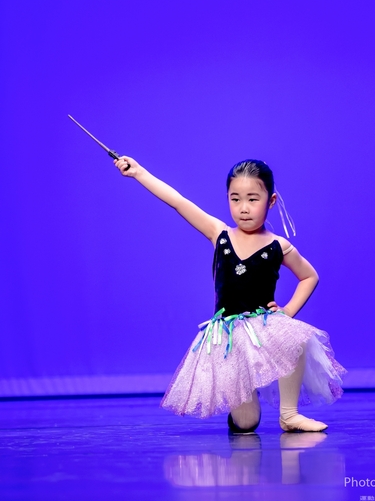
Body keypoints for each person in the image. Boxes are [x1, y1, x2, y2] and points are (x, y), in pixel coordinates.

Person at [114, 157, 346, 433]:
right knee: (247, 423)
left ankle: (289, 415)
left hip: (264, 328)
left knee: (297, 337)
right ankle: (242, 410)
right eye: (235, 199)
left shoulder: (278, 246)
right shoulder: (219, 233)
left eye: (252, 199)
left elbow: (309, 276)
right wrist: (139, 172)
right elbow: (178, 201)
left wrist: (287, 311)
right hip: (227, 337)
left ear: (271, 201)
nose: (243, 208)